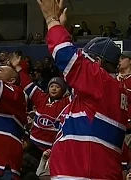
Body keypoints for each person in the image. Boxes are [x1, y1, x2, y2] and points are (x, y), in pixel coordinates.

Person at [36, 0, 128, 179]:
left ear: (97, 63)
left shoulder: (102, 82)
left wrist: (51, 20)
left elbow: (65, 55)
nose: (82, 61)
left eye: (86, 58)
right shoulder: (103, 91)